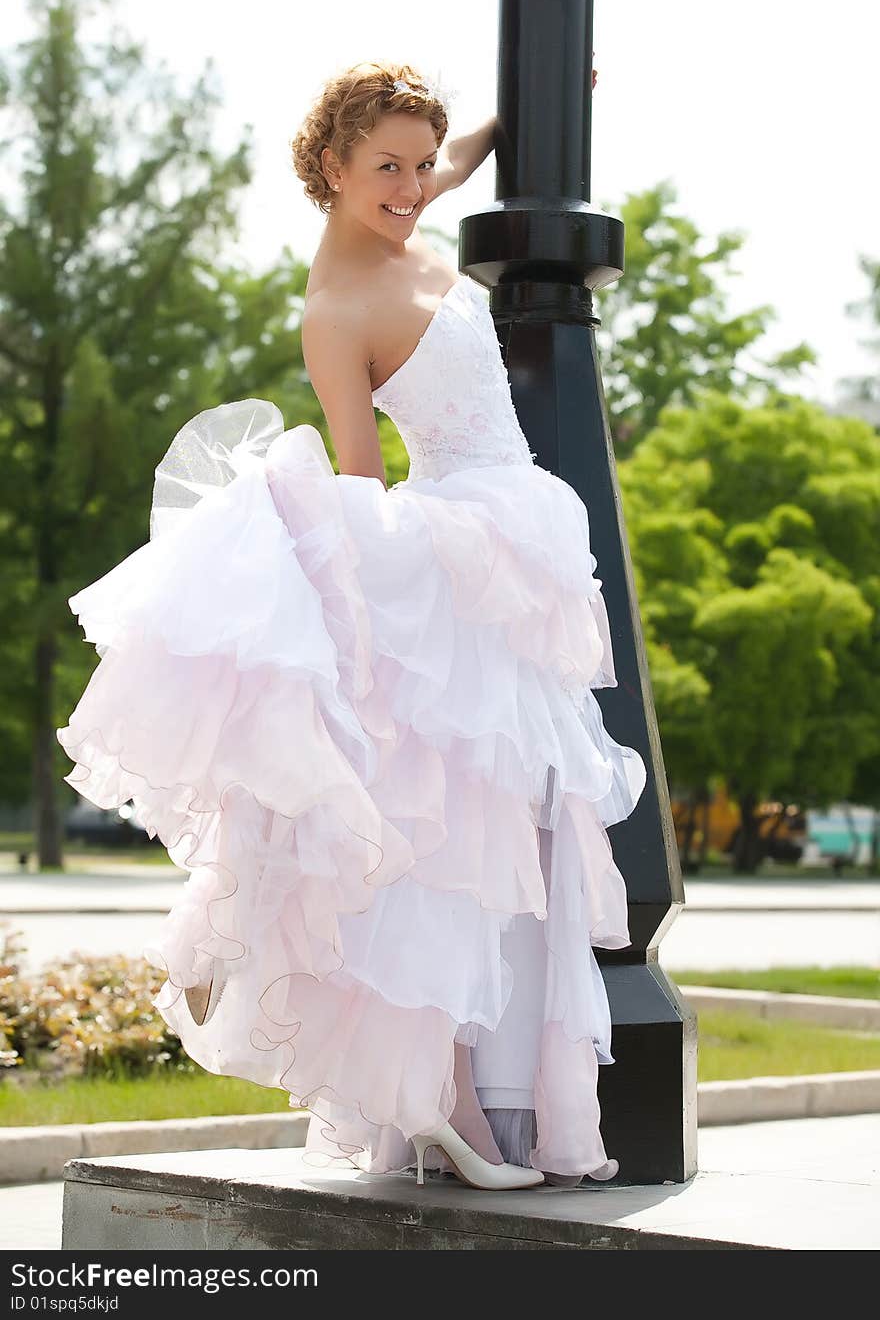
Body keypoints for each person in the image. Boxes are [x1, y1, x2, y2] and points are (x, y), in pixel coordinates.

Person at [56, 59, 645, 1192]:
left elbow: (457, 158)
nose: (415, 189)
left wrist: (527, 102)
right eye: (387, 168)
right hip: (451, 555)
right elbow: (360, 481)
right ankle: (446, 1103)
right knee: (449, 844)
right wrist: (370, 638)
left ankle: (467, 1096)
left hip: (504, 542)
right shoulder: (337, 309)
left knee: (510, 834)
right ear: (330, 166)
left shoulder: (411, 209)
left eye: (421, 167)